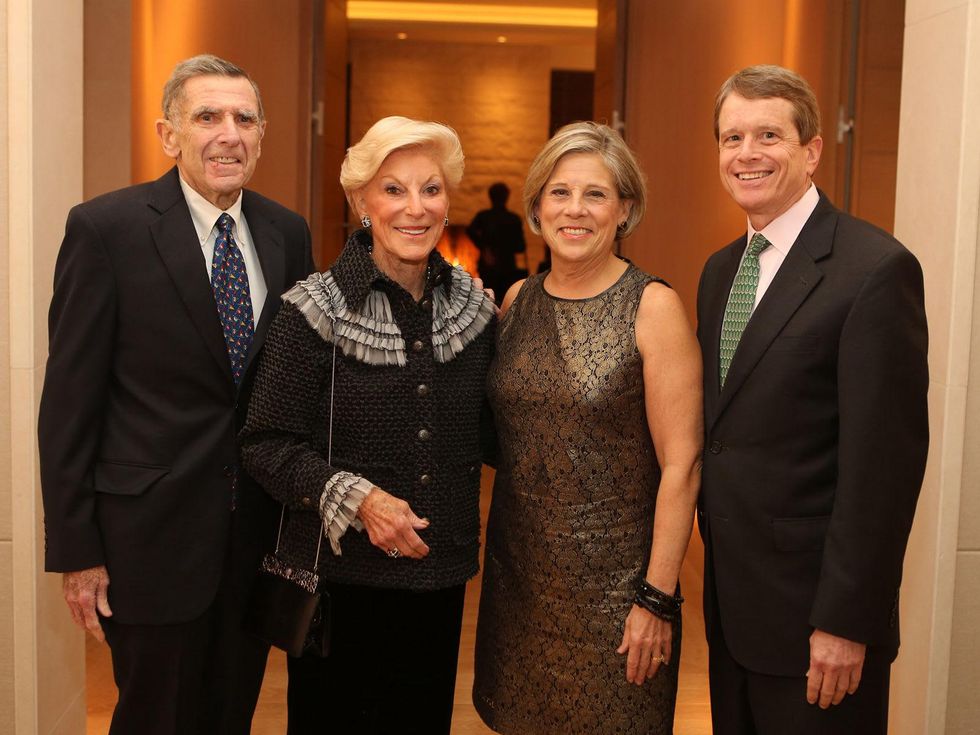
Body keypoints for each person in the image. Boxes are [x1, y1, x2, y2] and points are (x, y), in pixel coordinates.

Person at [37, 54, 314, 734]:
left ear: (262, 135)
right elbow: (69, 403)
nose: (229, 134)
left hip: (254, 540)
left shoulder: (287, 233)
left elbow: (299, 379)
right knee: (154, 718)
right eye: (207, 116)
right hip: (147, 543)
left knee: (230, 715)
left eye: (245, 119)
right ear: (169, 135)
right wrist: (77, 550)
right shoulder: (106, 230)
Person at [239, 115, 496, 735]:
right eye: (393, 189)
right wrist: (360, 499)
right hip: (340, 586)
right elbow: (265, 443)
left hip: (439, 580)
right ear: (361, 202)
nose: (415, 208)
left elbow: (494, 434)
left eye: (431, 189)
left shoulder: (476, 311)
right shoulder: (311, 310)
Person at [697, 64, 928, 735]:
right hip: (734, 613)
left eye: (768, 135)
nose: (747, 153)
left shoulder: (874, 270)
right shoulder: (720, 270)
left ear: (812, 150)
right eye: (732, 137)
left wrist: (846, 622)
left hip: (818, 628)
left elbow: (882, 473)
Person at [473, 122, 703, 734]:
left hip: (618, 599)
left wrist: (657, 598)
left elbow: (682, 465)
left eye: (595, 194)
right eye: (560, 192)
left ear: (624, 209)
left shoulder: (653, 308)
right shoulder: (516, 301)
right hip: (520, 585)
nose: (575, 209)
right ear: (537, 207)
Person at [467, 181, 527, 301]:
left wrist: (484, 248)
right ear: (507, 197)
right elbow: (521, 247)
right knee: (507, 300)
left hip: (488, 266)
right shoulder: (514, 219)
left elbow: (470, 231)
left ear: (490, 197)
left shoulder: (483, 216)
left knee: (488, 300)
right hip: (508, 267)